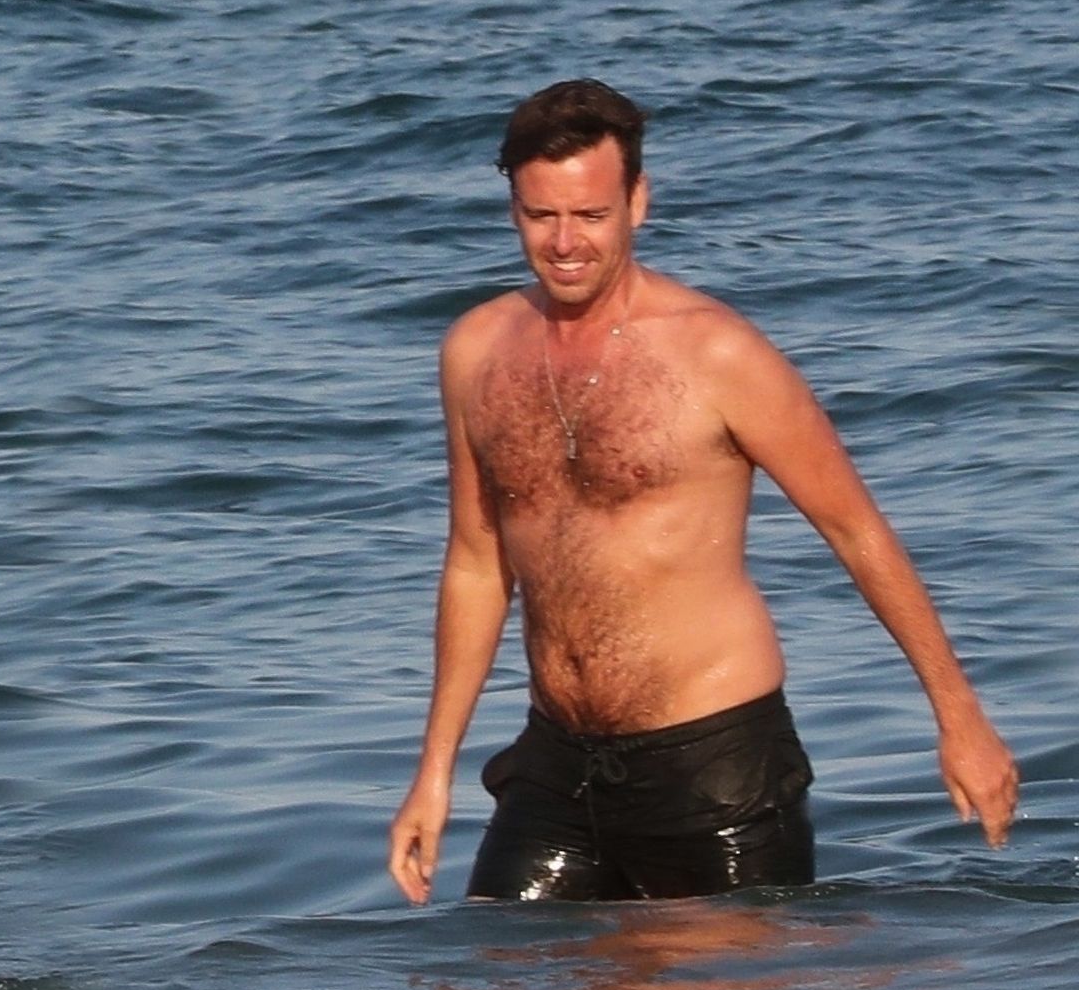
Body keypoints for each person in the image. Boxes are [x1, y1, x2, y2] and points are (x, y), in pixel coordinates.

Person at [387, 79, 1018, 903]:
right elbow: (476, 563)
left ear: (637, 202)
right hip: (556, 765)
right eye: (542, 216)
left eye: (591, 215)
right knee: (497, 978)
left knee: (715, 987)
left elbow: (855, 529)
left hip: (716, 770)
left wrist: (960, 718)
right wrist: (433, 773)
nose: (566, 242)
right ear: (514, 209)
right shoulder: (475, 351)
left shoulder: (717, 353)